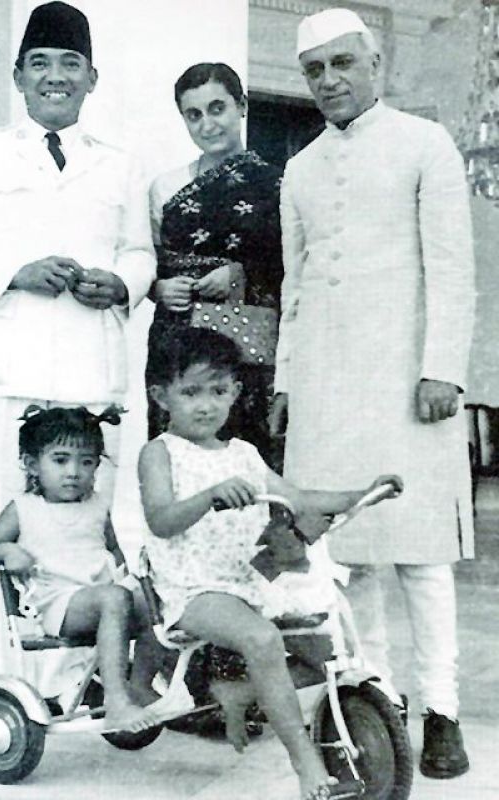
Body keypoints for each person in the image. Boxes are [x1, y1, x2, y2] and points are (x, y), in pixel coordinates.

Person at [270, 7, 475, 780]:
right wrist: (289, 380)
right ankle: (377, 701)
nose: (329, 82)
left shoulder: (426, 145)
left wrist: (442, 368)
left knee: (420, 553)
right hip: (324, 385)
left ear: (377, 63)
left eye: (342, 65)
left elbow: (451, 267)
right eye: (315, 70)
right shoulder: (301, 167)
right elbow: (295, 285)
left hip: (405, 379)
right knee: (347, 553)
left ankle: (443, 710)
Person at [0, 2, 155, 676]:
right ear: (19, 76)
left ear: (92, 79)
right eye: (42, 65)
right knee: (7, 532)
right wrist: (13, 272)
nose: (57, 77)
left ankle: (89, 685)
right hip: (4, 372)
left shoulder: (119, 163)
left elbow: (140, 251)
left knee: (88, 533)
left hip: (90, 374)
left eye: (70, 65)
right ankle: (9, 682)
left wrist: (121, 283)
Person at [140, 328, 401, 800]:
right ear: (162, 397)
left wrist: (360, 494)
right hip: (192, 588)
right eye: (191, 392)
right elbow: (160, 520)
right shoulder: (160, 453)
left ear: (236, 393)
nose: (206, 405)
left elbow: (298, 499)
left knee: (323, 650)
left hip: (250, 579)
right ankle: (304, 762)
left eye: (218, 391)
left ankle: (240, 692)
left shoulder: (243, 454)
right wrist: (208, 496)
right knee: (261, 639)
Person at [0, 405, 160, 730]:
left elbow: (113, 551)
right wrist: (7, 550)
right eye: (60, 460)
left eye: (86, 462)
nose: (74, 471)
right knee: (114, 599)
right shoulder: (24, 509)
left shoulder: (98, 505)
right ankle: (116, 702)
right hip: (57, 603)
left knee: (158, 602)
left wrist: (135, 584)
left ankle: (139, 684)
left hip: (103, 596)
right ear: (33, 465)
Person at [147, 62, 284, 471]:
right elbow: (147, 258)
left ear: (241, 106)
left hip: (246, 342)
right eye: (194, 114)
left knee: (242, 449)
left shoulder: (278, 183)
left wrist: (240, 273)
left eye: (217, 108)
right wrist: (158, 287)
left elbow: (295, 263)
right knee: (179, 456)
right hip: (177, 336)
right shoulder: (165, 186)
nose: (207, 124)